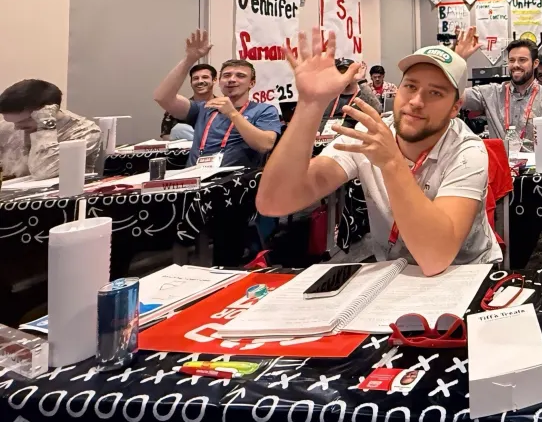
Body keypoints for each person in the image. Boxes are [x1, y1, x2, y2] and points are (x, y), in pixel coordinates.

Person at [256, 32, 500, 272]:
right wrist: (310, 105)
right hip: (395, 273)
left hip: (467, 273)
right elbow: (275, 202)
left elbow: (435, 258)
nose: (416, 101)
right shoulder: (370, 133)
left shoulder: (467, 150)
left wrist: (392, 162)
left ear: (455, 107)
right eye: (410, 86)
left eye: (435, 92)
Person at [153, 30, 281, 169]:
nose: (232, 79)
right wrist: (189, 59)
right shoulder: (204, 108)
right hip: (195, 175)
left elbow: (264, 145)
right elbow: (162, 97)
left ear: (252, 83)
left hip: (233, 178)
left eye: (240, 76)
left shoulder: (264, 110)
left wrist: (232, 114)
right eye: (226, 75)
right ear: (219, 82)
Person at [454, 36, 542, 151]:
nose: (515, 65)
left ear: (535, 63)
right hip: (500, 162)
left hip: (536, 162)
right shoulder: (490, 94)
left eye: (522, 60)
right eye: (512, 60)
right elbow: (455, 96)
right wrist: (457, 60)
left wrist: (540, 160)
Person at [0, 80, 102, 180]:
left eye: (24, 121)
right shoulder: (7, 127)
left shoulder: (86, 132)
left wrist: (45, 124)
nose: (16, 127)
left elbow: (43, 172)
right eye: (11, 122)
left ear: (48, 111)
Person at [319, 59, 383, 129]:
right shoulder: (330, 95)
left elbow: (377, 110)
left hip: (348, 133)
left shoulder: (362, 96)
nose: (345, 76)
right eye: (342, 73)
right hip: (323, 133)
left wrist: (361, 80)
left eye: (349, 73)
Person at [160, 62, 216, 140]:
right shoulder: (178, 107)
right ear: (191, 82)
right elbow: (165, 136)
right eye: (195, 78)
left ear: (214, 80)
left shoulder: (223, 106)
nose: (200, 81)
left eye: (205, 77)